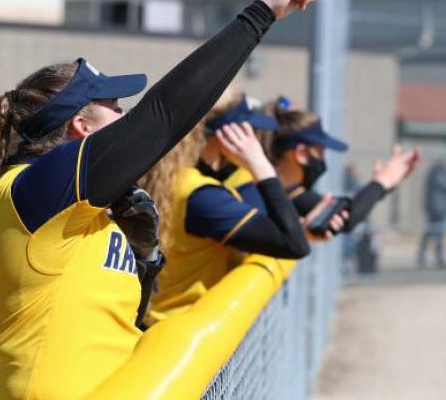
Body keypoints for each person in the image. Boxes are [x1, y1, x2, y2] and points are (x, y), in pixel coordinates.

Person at [0, 0, 320, 400]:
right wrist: (262, 11)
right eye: (113, 108)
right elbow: (163, 117)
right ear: (81, 125)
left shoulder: (75, 206)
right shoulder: (36, 188)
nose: (123, 116)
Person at [141, 97, 341, 324]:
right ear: (229, 137)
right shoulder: (202, 197)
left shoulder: (180, 179)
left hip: (170, 327)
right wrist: (260, 165)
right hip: (179, 330)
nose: (256, 140)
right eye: (249, 132)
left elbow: (284, 236)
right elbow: (294, 245)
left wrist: (302, 229)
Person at [266, 101, 420, 236]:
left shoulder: (280, 190)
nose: (322, 160)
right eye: (320, 152)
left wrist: (381, 184)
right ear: (300, 153)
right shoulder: (281, 194)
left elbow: (345, 212)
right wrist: (383, 181)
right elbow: (347, 216)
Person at [417, 159, 446, 268]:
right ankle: (432, 257)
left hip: (438, 208)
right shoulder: (436, 175)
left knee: (434, 233)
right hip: (435, 209)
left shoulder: (435, 174)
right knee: (434, 233)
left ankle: (433, 257)